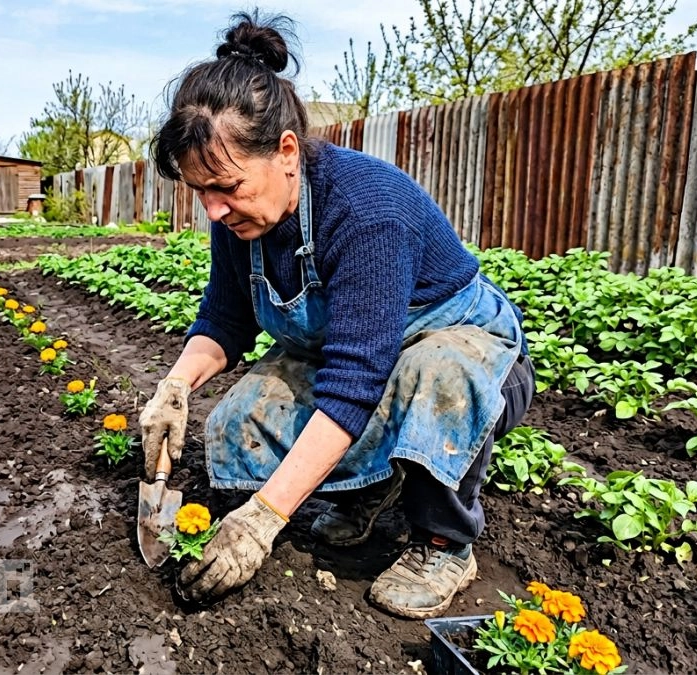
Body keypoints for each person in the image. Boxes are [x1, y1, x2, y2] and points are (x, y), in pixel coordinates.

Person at [138, 10, 535, 620]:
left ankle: (445, 543)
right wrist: (175, 385)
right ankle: (365, 489)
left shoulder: (367, 211)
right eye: (201, 192)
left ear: (287, 152)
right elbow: (225, 322)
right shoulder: (239, 217)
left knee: (433, 377)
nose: (214, 210)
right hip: (364, 357)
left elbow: (353, 384)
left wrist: (263, 520)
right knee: (244, 415)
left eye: (227, 187)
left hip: (471, 353)